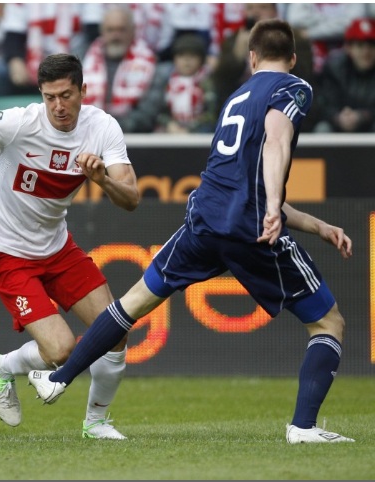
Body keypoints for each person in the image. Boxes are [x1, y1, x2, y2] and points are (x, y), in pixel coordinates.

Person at [28, 19, 356, 445]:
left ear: (251, 58)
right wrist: (274, 206)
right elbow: (276, 141)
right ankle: (304, 428)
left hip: (203, 219)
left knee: (131, 304)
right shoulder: (293, 88)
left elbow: (244, 183)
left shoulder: (237, 97)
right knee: (328, 323)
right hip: (250, 227)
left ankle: (57, 379)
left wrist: (318, 225)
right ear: (292, 59)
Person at [0, 53, 140, 439]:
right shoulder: (19, 123)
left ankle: (96, 423)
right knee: (61, 351)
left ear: (83, 91)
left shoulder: (103, 128)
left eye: (66, 95)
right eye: (50, 97)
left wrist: (102, 179)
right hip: (7, 253)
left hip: (57, 249)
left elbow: (131, 197)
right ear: (41, 95)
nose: (58, 106)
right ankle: (1, 368)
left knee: (115, 331)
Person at [82, 5, 157, 125]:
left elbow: (147, 112)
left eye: (121, 30)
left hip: (130, 132)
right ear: (102, 31)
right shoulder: (83, 59)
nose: (115, 36)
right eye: (110, 30)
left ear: (133, 31)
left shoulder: (150, 63)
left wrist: (110, 128)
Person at [313, 17, 375, 134]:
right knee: (322, 128)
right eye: (360, 45)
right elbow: (323, 104)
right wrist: (337, 117)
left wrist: (362, 116)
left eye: (371, 45)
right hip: (337, 125)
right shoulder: (334, 67)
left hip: (370, 125)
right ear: (348, 48)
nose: (366, 51)